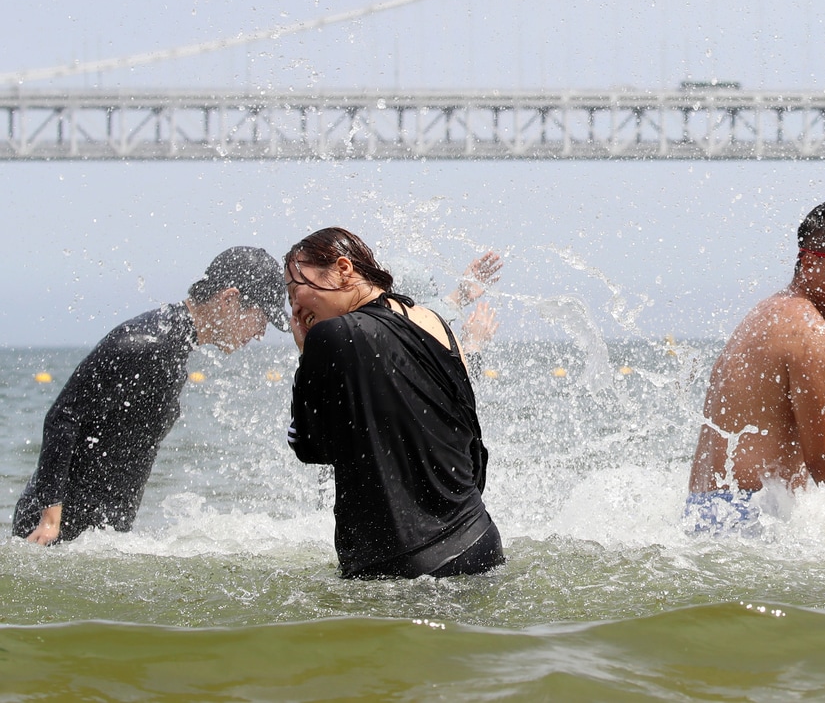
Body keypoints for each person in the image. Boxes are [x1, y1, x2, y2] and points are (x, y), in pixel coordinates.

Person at [11, 247, 288, 544]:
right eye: (262, 318)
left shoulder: (174, 344)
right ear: (229, 299)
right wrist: (50, 519)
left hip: (96, 538)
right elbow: (63, 417)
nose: (260, 333)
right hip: (56, 533)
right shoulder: (145, 343)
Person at [284, 227, 503, 578]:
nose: (294, 308)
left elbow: (310, 447)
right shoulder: (435, 323)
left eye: (295, 289)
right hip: (479, 541)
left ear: (343, 269)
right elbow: (471, 447)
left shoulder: (332, 336)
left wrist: (305, 354)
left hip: (399, 566)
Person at [687, 197, 825, 531]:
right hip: (751, 519)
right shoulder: (811, 332)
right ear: (808, 260)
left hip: (705, 513)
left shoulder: (769, 312)